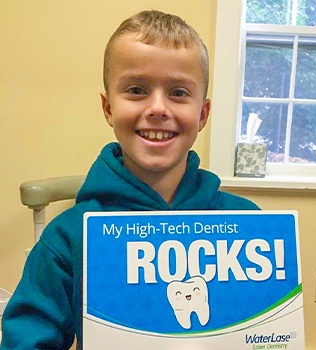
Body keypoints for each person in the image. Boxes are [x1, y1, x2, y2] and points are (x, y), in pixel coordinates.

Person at [0, 10, 259, 350]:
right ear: (108, 108)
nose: (158, 108)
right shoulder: (68, 237)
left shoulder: (246, 225)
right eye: (137, 90)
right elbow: (27, 338)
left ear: (203, 114)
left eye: (179, 93)